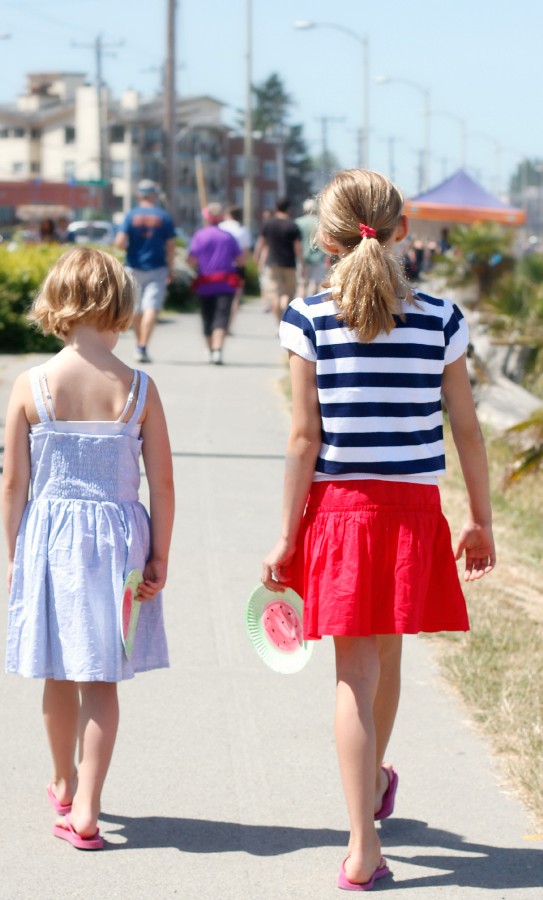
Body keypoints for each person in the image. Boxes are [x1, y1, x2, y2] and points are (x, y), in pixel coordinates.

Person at [261, 169, 495, 890]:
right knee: (386, 662)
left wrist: (286, 533)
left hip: (340, 513)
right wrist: (480, 520)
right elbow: (466, 428)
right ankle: (376, 783)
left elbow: (304, 438)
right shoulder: (442, 318)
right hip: (413, 511)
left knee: (354, 677)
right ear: (401, 232)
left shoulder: (307, 317)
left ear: (325, 241)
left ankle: (363, 845)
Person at [2, 247, 174, 850]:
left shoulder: (31, 384)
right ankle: (90, 809)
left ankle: (63, 781)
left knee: (56, 671)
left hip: (49, 544)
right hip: (121, 545)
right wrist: (160, 557)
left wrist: (13, 557)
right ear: (122, 306)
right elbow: (164, 483)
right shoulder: (140, 388)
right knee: (102, 681)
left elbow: (12, 485)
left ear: (56, 302)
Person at [115, 179, 176, 363]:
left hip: (133, 266)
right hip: (157, 268)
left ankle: (138, 344)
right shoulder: (164, 216)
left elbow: (119, 242)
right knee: (152, 307)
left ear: (138, 195)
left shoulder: (131, 215)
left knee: (136, 308)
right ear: (155, 195)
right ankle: (142, 346)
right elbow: (171, 246)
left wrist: (130, 251)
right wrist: (170, 268)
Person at [188, 203, 245, 365]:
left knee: (207, 318)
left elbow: (191, 260)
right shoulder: (228, 237)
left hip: (205, 284)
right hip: (225, 284)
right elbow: (240, 260)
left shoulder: (199, 235)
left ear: (206, 218)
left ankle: (211, 349)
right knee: (221, 317)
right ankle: (218, 350)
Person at [255, 197, 303, 326]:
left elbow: (262, 242)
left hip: (272, 263)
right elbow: (297, 247)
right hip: (289, 264)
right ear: (288, 209)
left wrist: (257, 257)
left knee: (274, 293)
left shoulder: (268, 223)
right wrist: (302, 264)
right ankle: (285, 308)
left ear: (276, 208)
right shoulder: (292, 225)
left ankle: (278, 325)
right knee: (288, 293)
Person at [219, 205, 251, 331]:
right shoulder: (243, 230)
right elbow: (245, 254)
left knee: (218, 295)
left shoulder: (220, 227)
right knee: (234, 298)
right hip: (237, 267)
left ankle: (218, 324)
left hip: (220, 267)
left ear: (227, 214)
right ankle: (227, 326)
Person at [295, 197, 327, 296]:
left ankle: (302, 307)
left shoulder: (298, 222)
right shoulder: (320, 222)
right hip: (319, 257)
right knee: (317, 284)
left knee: (302, 284)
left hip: (302, 257)